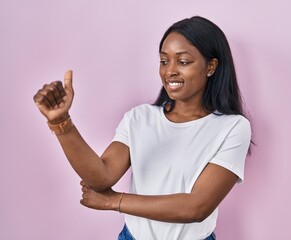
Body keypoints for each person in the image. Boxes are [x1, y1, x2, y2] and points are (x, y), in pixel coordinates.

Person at [33, 16, 251, 240]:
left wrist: (114, 201)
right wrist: (61, 123)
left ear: (211, 66)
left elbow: (196, 207)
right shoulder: (139, 118)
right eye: (164, 61)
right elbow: (102, 176)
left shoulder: (232, 127)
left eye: (183, 62)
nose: (170, 71)